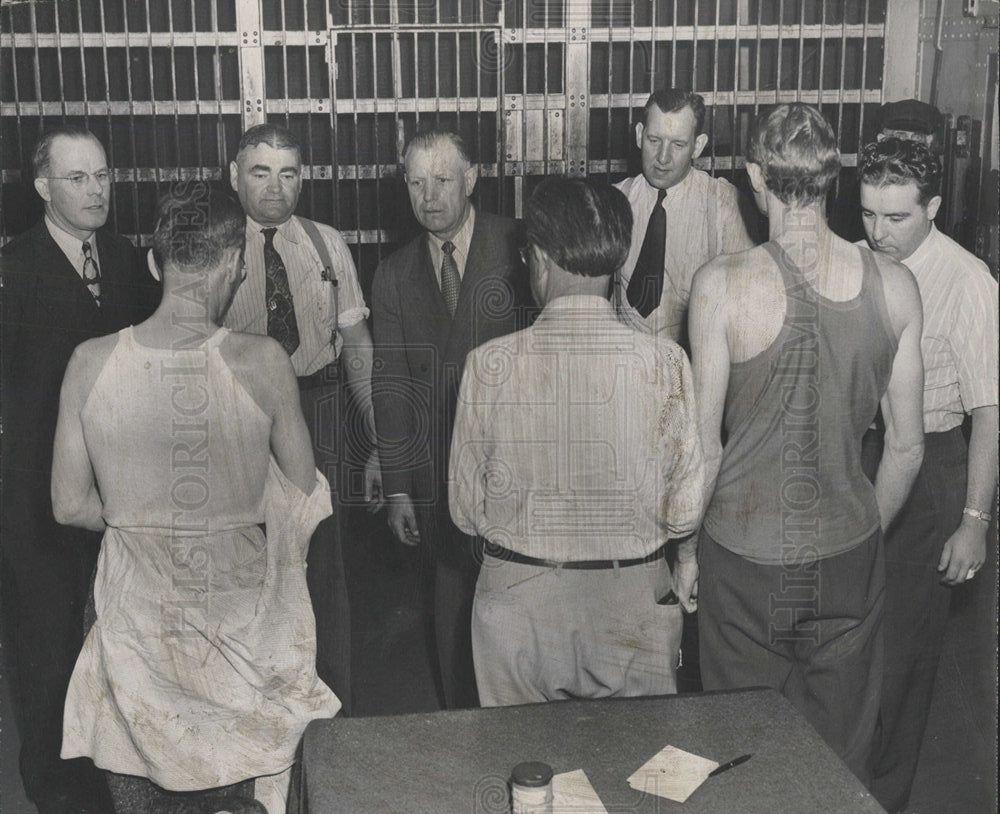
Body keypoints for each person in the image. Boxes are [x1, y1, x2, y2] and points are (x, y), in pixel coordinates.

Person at [53, 184, 341, 814]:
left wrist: (142, 518)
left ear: (156, 264)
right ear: (236, 264)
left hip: (132, 632)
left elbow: (68, 504)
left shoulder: (89, 363)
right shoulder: (262, 362)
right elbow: (302, 496)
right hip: (239, 633)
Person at [685, 103, 926, 784]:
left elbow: (704, 448)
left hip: (742, 560)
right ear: (835, 178)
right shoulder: (896, 286)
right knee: (838, 764)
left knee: (740, 759)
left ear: (756, 176)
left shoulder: (720, 287)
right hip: (844, 556)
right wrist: (862, 530)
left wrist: (682, 550)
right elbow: (907, 447)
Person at [449, 176, 704, 706]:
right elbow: (683, 512)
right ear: (619, 257)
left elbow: (465, 511)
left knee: (527, 775)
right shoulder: (666, 363)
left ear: (538, 259)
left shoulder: (488, 366)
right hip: (633, 606)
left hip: (520, 607)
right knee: (639, 773)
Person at [0, 125, 154, 814]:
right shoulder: (16, 268)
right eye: (77, 179)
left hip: (115, 487)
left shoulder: (125, 260)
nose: (96, 191)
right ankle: (52, 778)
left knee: (114, 629)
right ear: (43, 189)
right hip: (37, 496)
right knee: (47, 635)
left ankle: (112, 767)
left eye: (102, 176)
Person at [858, 137, 998, 813]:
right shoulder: (856, 263)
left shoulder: (969, 281)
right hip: (860, 453)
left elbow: (989, 413)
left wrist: (974, 523)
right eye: (867, 215)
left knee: (904, 655)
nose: (877, 233)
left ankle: (881, 810)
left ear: (934, 207)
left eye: (896, 219)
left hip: (934, 463)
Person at [371, 129, 532, 709]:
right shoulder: (392, 274)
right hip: (439, 479)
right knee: (449, 608)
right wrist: (397, 490)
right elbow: (390, 389)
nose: (429, 196)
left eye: (442, 180)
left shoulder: (520, 246)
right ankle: (460, 723)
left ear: (471, 179)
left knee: (518, 614)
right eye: (416, 183)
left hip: (518, 469)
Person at [225, 123, 379, 714]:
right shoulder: (216, 244)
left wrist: (375, 438)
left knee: (324, 563)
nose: (274, 187)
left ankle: (333, 710)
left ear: (303, 178)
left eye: (288, 173)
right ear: (234, 175)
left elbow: (357, 345)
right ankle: (257, 714)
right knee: (249, 564)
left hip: (320, 410)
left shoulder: (325, 243)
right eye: (260, 172)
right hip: (241, 417)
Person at [614, 88, 757, 347]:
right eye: (654, 140)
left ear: (697, 146)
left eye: (678, 144)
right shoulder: (615, 202)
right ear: (638, 135)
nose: (663, 158)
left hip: (694, 368)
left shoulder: (726, 206)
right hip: (626, 366)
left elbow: (746, 310)